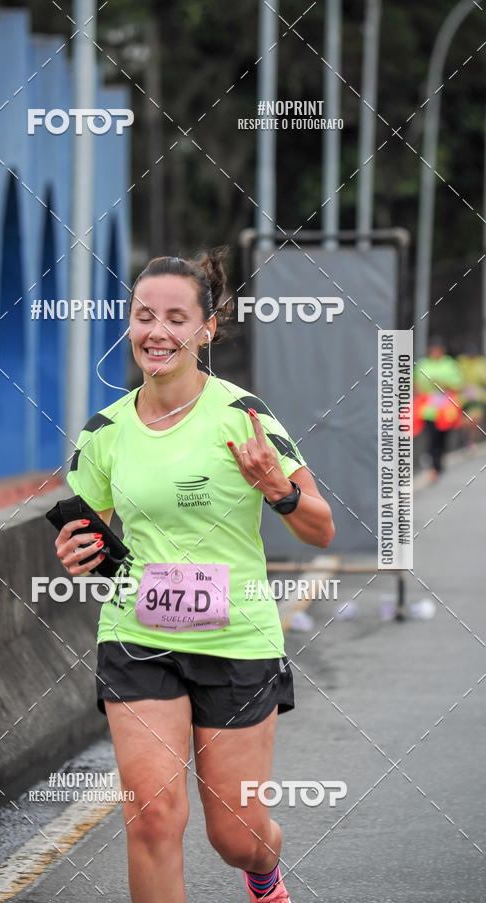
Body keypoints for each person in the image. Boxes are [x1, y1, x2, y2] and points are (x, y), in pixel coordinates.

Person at [55, 249, 335, 903]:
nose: (158, 331)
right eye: (144, 315)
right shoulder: (105, 430)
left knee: (234, 834)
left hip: (236, 639)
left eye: (176, 318)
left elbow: (321, 527)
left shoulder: (245, 416)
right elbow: (89, 530)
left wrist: (279, 491)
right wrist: (79, 551)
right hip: (136, 636)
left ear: (208, 328)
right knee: (152, 817)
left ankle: (262, 872)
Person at [413, 336, 463, 481]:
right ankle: (433, 462)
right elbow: (416, 382)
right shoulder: (423, 364)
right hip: (429, 406)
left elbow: (457, 382)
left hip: (446, 405)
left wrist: (442, 383)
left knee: (443, 435)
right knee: (432, 434)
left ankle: (439, 460)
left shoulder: (450, 364)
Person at [456, 343, 486, 450]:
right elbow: (455, 379)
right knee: (464, 421)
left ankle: (471, 441)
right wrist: (463, 387)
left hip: (477, 395)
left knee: (476, 418)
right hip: (462, 396)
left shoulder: (481, 363)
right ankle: (465, 437)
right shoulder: (460, 363)